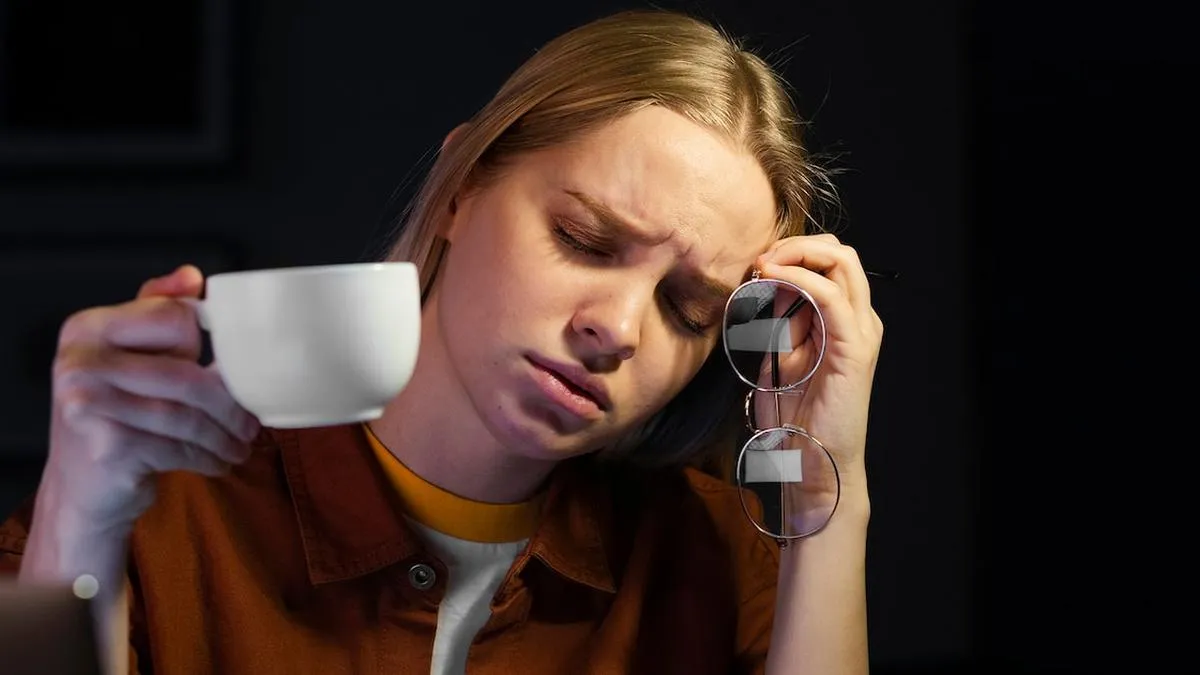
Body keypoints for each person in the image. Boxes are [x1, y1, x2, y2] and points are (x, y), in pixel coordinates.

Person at [0, 8, 881, 675]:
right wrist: (82, 511)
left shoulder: (709, 560)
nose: (614, 329)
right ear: (462, 185)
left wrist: (829, 505)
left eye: (689, 308)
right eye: (583, 239)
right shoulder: (165, 521)